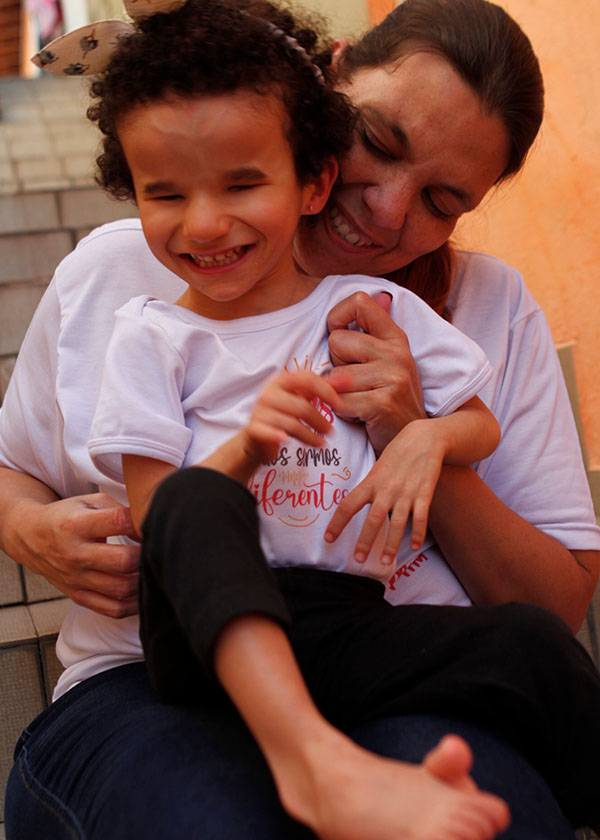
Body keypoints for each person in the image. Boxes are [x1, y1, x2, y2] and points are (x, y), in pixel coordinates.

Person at [1, 0, 598, 837]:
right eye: (380, 143)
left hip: (379, 651)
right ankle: (313, 764)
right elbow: (33, 474)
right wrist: (27, 529)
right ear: (334, 79)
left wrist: (414, 428)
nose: (390, 210)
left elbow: (556, 601)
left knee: (497, 804)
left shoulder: (462, 304)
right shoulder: (129, 285)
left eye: (442, 198)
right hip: (151, 676)